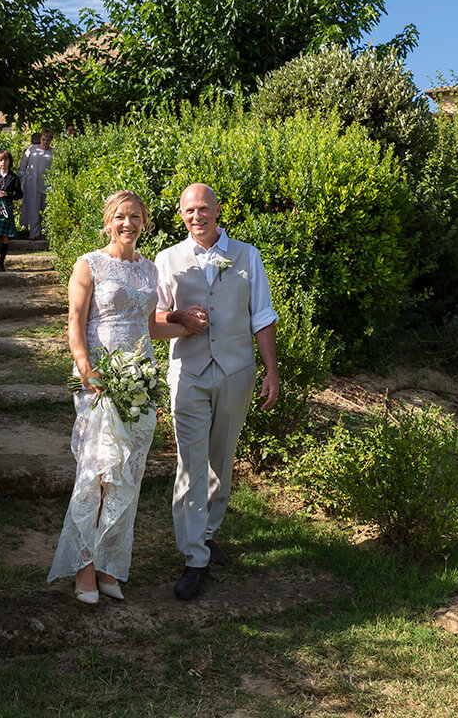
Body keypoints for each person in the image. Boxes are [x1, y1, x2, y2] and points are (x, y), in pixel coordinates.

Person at [49, 190, 207, 603]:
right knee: (95, 475)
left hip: (140, 384)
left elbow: (148, 327)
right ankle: (83, 566)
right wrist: (88, 372)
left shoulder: (149, 269)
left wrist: (185, 327)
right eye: (121, 216)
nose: (128, 224)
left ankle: (108, 566)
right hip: (99, 383)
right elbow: (74, 323)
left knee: (127, 477)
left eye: (135, 217)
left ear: (145, 222)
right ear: (108, 220)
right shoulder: (88, 265)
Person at [154, 183, 279, 601]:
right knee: (190, 463)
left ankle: (206, 533)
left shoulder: (247, 256)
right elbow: (154, 318)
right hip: (188, 372)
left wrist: (271, 372)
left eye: (204, 208)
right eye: (189, 209)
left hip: (236, 370)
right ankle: (193, 557)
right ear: (180, 214)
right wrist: (179, 317)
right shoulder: (167, 258)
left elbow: (261, 315)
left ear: (219, 210)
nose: (197, 216)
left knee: (221, 460)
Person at [20, 129, 54, 240]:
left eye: (48, 140)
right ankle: (34, 233)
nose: (45, 142)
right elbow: (22, 166)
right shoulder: (32, 150)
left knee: (45, 209)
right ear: (40, 139)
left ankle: (46, 233)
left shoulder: (53, 153)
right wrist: (22, 179)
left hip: (47, 185)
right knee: (33, 208)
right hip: (32, 184)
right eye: (43, 139)